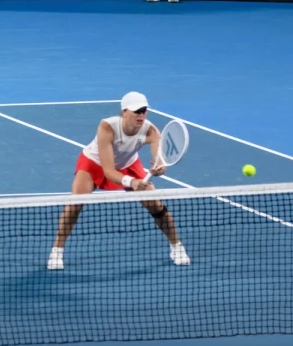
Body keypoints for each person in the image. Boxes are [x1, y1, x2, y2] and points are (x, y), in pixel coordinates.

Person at [47, 92, 190, 271]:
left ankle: (176, 246)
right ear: (124, 112)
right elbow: (108, 171)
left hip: (129, 164)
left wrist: (160, 169)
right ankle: (57, 250)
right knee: (75, 204)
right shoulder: (108, 127)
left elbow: (160, 161)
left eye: (144, 111)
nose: (141, 115)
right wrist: (133, 182)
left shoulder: (151, 130)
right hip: (94, 163)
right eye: (137, 111)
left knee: (156, 205)